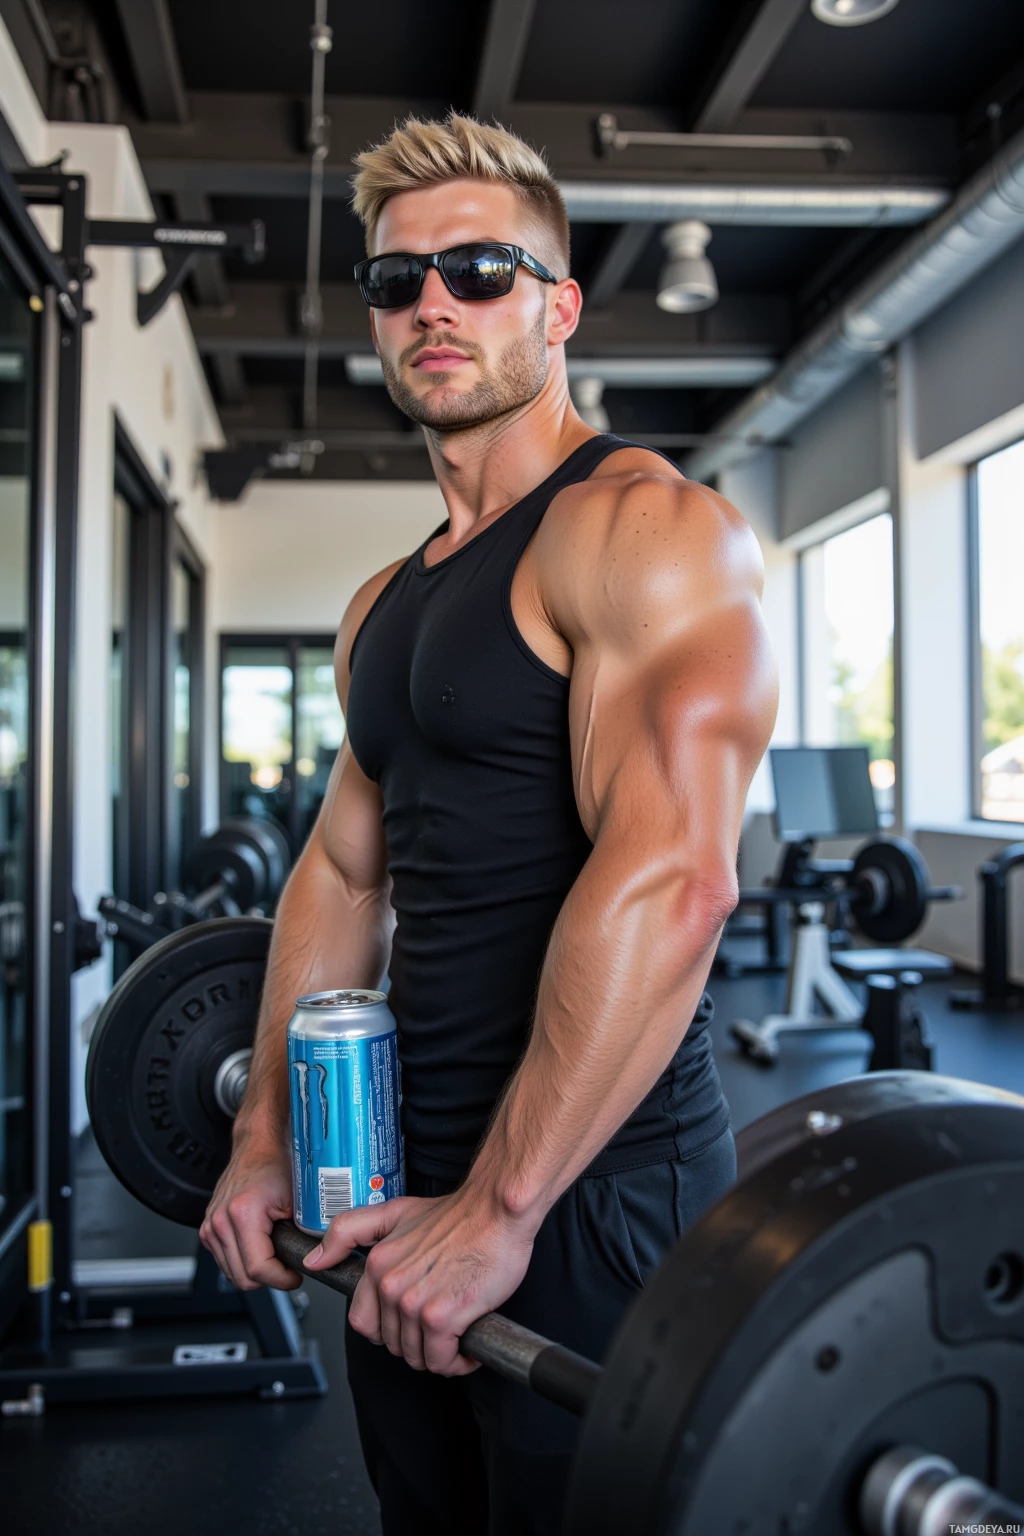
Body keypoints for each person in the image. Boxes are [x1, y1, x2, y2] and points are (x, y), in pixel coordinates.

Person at [200, 114, 778, 1535]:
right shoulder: (382, 609)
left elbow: (676, 877)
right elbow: (342, 872)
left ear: (560, 304)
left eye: (479, 269)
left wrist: (505, 1208)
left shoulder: (644, 531)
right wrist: (269, 1127)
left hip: (591, 1186)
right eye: (398, 281)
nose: (434, 305)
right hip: (402, 1182)